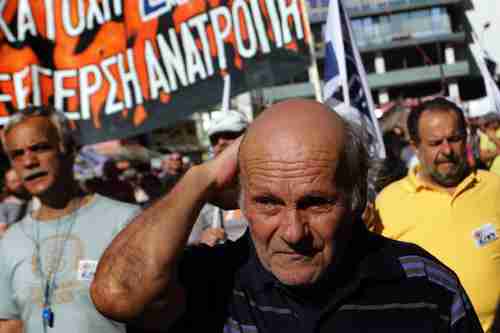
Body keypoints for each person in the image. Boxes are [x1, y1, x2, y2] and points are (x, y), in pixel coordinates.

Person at [91, 99, 482, 333]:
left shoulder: (423, 286)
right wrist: (202, 178)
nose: (293, 232)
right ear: (240, 201)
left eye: (315, 203)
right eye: (268, 203)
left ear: (357, 197)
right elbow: (116, 294)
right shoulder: (213, 283)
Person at [0, 106, 140, 333]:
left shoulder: (124, 220)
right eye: (17, 154)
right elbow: (10, 325)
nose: (28, 162)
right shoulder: (10, 241)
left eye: (40, 148)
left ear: (69, 150)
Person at [374, 97, 500, 332]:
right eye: (435, 143)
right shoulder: (387, 203)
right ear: (414, 145)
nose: (447, 150)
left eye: (454, 139)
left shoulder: (494, 187)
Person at [188, 110, 249, 246]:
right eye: (214, 139)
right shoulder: (203, 189)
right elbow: (190, 240)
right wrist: (201, 240)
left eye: (229, 135)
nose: (221, 142)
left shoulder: (268, 179)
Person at [0, 169, 31, 236]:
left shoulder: (34, 200)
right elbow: (2, 232)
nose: (19, 184)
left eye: (20, 179)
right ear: (7, 184)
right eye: (13, 182)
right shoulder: (4, 206)